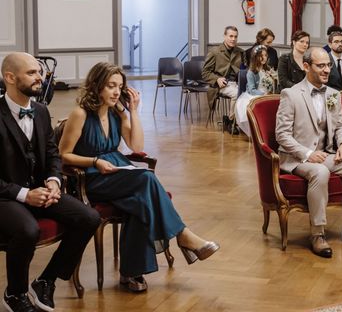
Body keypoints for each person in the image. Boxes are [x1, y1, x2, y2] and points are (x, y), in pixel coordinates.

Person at [59, 62, 219, 293]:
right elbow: (64, 156)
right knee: (146, 178)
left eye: (120, 87)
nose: (116, 92)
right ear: (96, 86)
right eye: (111, 86)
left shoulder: (117, 113)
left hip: (117, 172)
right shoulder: (80, 114)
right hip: (90, 178)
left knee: (141, 203)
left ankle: (130, 273)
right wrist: (94, 161)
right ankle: (184, 236)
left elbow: (137, 145)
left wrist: (133, 111)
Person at [0, 53, 100, 312]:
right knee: (28, 230)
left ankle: (46, 279)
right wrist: (24, 194)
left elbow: (53, 153)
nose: (40, 78)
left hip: (40, 189)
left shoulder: (41, 111)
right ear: (10, 77)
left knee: (89, 217)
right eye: (32, 73)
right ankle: (15, 294)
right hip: (5, 196)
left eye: (40, 72)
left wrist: (54, 181)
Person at [275, 47, 342, 258]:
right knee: (319, 173)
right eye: (320, 65)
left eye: (328, 65)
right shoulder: (291, 94)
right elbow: (282, 135)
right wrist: (307, 154)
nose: (326, 70)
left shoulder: (333, 94)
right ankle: (317, 234)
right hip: (298, 158)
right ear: (306, 66)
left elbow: (341, 125)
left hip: (326, 154)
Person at [202, 26, 244, 134]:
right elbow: (205, 73)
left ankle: (243, 124)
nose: (233, 39)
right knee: (237, 94)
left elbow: (245, 69)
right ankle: (231, 121)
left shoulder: (240, 52)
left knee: (248, 94)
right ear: (224, 36)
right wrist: (217, 79)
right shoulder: (214, 52)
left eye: (235, 36)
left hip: (237, 83)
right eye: (230, 36)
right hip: (221, 85)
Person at [235, 46, 276, 136]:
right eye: (261, 55)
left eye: (265, 55)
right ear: (255, 57)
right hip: (254, 94)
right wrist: (264, 94)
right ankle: (258, 132)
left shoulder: (268, 69)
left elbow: (271, 83)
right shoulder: (251, 72)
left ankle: (270, 130)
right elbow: (252, 90)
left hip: (267, 93)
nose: (264, 58)